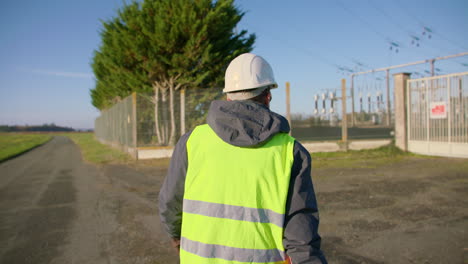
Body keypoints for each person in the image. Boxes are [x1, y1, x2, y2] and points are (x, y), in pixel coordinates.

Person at [158, 53, 327, 264]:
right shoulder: (290, 152)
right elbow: (301, 234)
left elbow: (170, 205)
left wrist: (178, 240)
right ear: (268, 96)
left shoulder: (191, 143)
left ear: (227, 96)